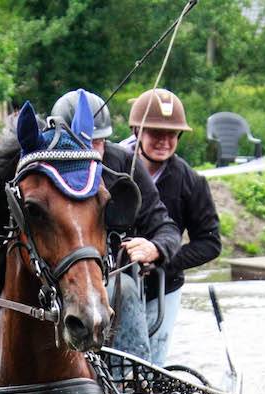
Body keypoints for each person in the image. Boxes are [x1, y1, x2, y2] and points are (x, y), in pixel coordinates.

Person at [50, 90, 180, 364]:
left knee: (126, 289)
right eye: (83, 144)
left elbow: (165, 227)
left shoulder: (123, 163)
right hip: (52, 276)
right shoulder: (42, 169)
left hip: (105, 276)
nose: (92, 152)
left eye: (98, 143)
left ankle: (134, 378)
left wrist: (155, 247)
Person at [124, 88, 222, 365]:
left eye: (172, 134)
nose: (164, 142)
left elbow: (210, 243)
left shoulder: (191, 182)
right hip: (112, 283)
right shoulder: (115, 169)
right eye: (156, 133)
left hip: (163, 287)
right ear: (137, 131)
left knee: (150, 367)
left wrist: (161, 260)